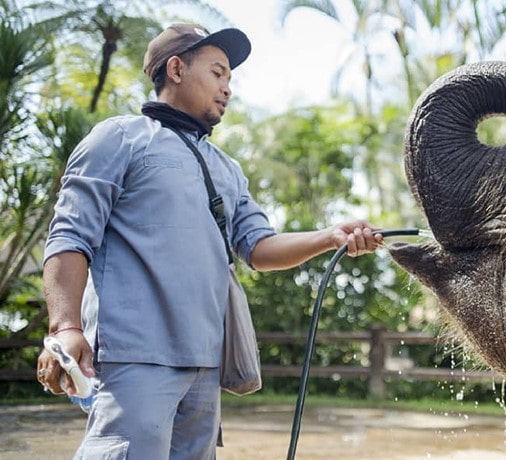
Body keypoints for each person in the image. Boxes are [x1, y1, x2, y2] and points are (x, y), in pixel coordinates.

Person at [36, 23, 383, 459]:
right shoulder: (119, 138)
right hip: (135, 358)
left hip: (204, 366)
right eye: (218, 73)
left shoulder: (227, 168)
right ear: (177, 69)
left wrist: (329, 237)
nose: (227, 88)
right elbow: (70, 235)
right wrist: (65, 328)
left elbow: (258, 247)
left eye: (230, 79)